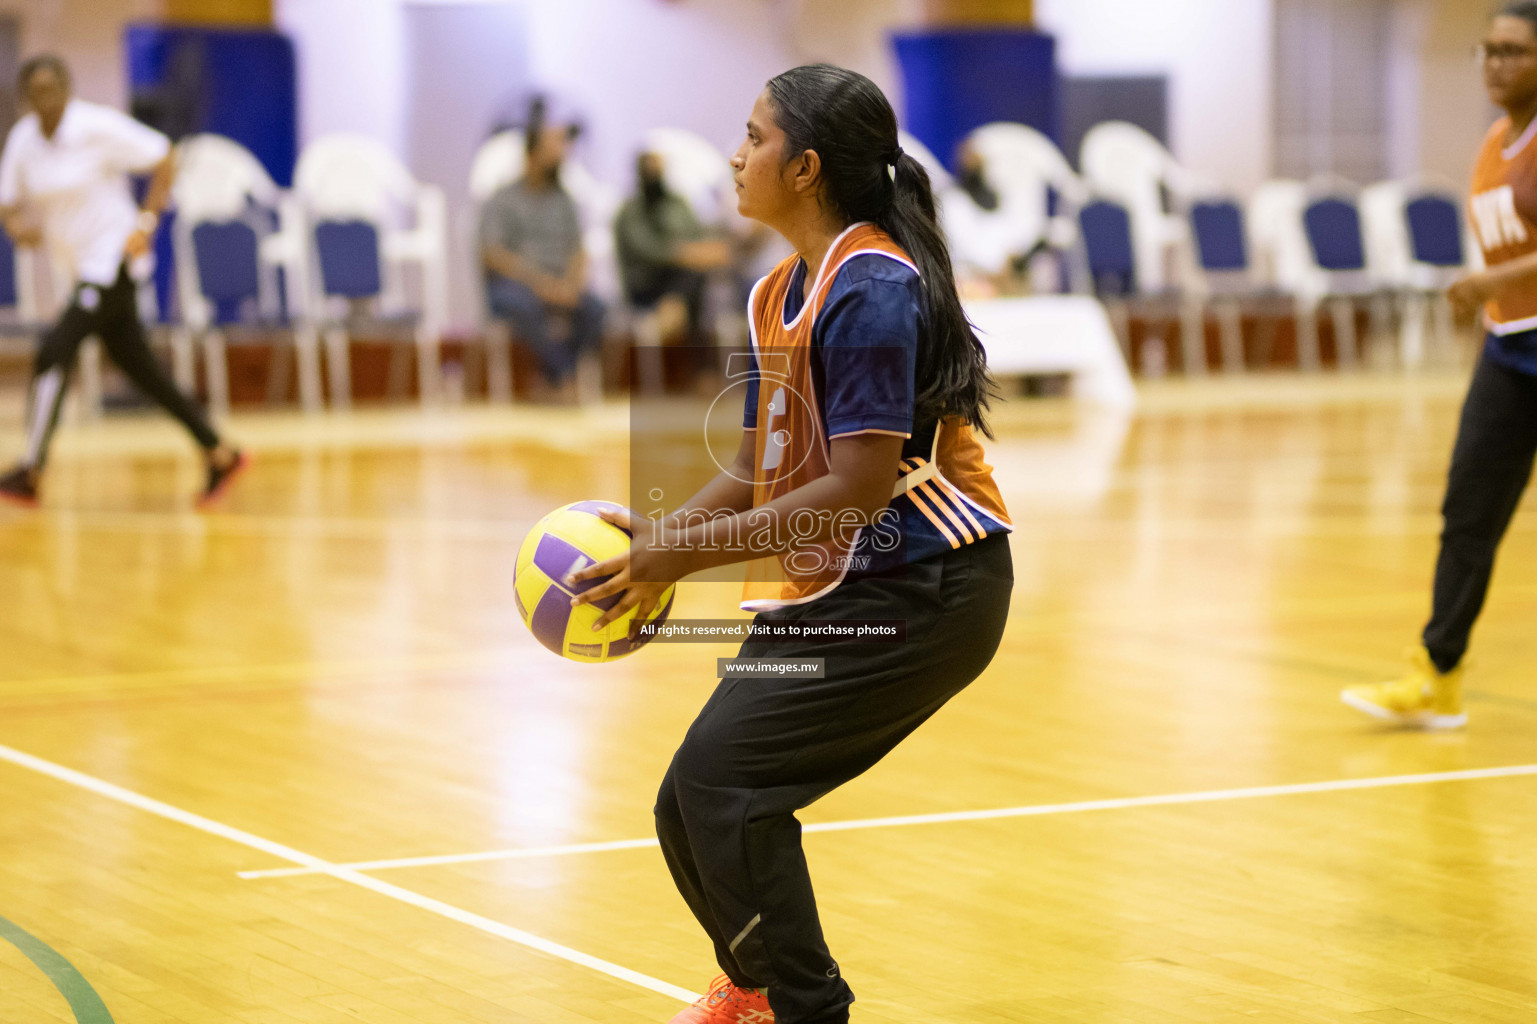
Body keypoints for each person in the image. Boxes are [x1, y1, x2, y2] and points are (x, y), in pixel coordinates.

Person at [568, 64, 1013, 1024]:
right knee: (689, 801)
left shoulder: (871, 290)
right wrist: (668, 531)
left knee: (729, 787)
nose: (735, 155)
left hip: (929, 585)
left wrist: (677, 562)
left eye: (754, 137)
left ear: (805, 168)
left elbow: (851, 490)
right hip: (859, 581)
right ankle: (761, 987)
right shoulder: (780, 289)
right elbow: (770, 462)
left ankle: (802, 1007)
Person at [1342, 1, 1537, 730]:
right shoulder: (1494, 139)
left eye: (1512, 50)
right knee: (1466, 512)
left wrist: (1491, 280)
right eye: (1486, 49)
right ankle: (1438, 675)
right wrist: (1488, 294)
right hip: (1507, 346)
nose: (1494, 62)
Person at [0, 55, 245, 508]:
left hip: (112, 262)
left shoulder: (95, 127)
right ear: (24, 98)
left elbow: (163, 155)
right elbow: (8, 202)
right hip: (77, 267)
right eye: (35, 92)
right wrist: (20, 230)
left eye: (52, 88)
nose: (44, 99)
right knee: (140, 368)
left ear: (68, 90)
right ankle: (219, 451)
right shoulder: (24, 141)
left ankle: (31, 469)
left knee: (54, 351)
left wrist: (146, 223)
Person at [479, 99, 604, 401]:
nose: (562, 154)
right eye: (554, 146)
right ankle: (563, 376)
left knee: (596, 309)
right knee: (525, 307)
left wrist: (572, 284)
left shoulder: (565, 201)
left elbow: (579, 249)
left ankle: (554, 379)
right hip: (516, 286)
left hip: (559, 283)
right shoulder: (503, 199)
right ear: (532, 153)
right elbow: (493, 254)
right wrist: (541, 284)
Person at [614, 150, 733, 345]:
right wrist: (689, 254)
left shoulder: (677, 202)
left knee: (703, 280)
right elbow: (651, 251)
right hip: (645, 284)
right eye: (649, 169)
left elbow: (698, 234)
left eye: (657, 168)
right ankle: (671, 318)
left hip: (681, 277)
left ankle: (673, 315)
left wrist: (704, 252)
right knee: (693, 276)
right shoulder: (630, 211)